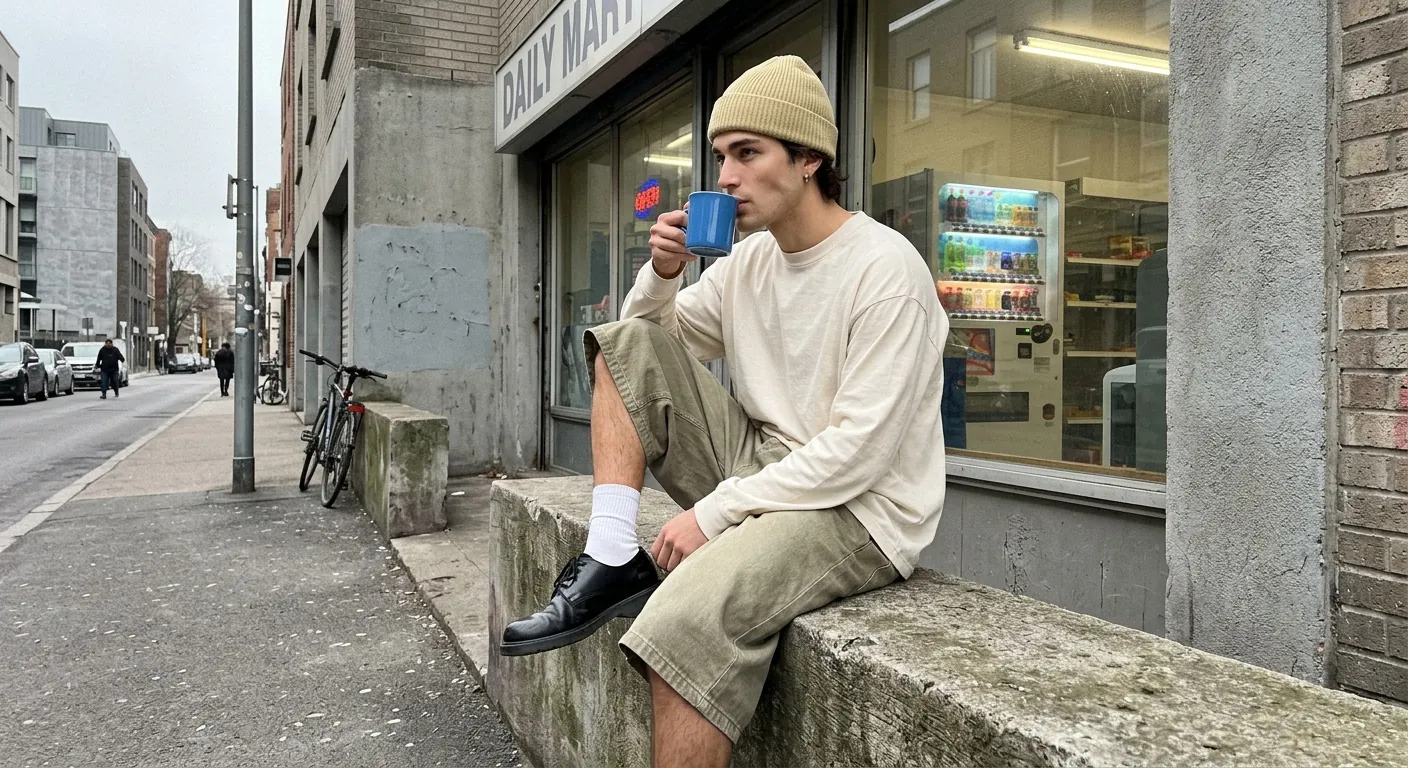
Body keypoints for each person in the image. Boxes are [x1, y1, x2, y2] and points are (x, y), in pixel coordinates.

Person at [501, 55, 949, 766]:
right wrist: (664, 271)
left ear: (808, 158)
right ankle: (612, 553)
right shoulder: (751, 260)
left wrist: (713, 514)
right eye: (720, 157)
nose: (726, 177)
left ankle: (653, 592)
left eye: (747, 153)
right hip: (765, 464)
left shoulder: (884, 271)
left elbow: (860, 453)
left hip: (861, 507)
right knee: (624, 342)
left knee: (679, 620)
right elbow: (637, 346)